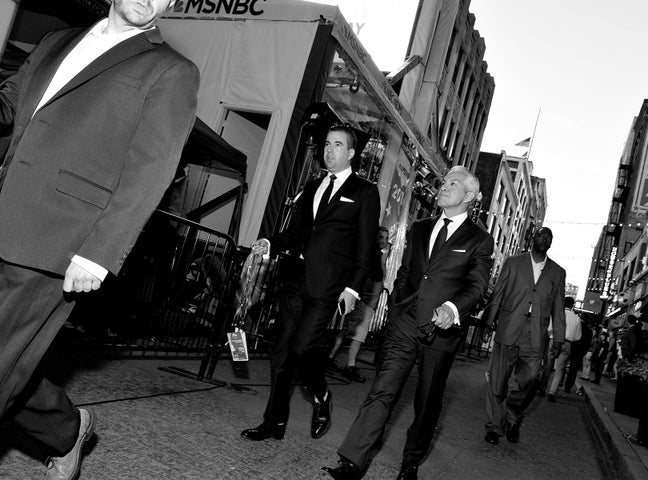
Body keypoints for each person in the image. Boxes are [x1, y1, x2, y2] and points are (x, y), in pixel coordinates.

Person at [0, 1, 199, 478]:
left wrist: (99, 252)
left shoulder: (171, 69)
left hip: (55, 240)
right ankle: (66, 430)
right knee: (10, 363)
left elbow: (150, 168)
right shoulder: (56, 42)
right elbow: (9, 107)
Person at [322, 166, 494, 480]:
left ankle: (410, 463)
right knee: (381, 391)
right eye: (444, 182)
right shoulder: (420, 227)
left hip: (441, 331)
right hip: (405, 322)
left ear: (468, 196)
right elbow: (405, 273)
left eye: (452, 184)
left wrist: (453, 308)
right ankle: (352, 461)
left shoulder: (479, 239)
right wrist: (399, 304)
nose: (444, 187)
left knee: (427, 402)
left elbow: (478, 286)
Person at [241, 124, 380, 442]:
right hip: (295, 280)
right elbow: (296, 233)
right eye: (327, 144)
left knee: (304, 348)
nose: (329, 150)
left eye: (338, 145)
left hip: (329, 287)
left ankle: (322, 396)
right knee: (282, 353)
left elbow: (365, 248)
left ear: (351, 153)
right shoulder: (312, 186)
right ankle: (273, 423)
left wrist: (353, 288)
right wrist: (270, 244)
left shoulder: (364, 192)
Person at [482, 227, 566, 445]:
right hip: (509, 327)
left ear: (551, 243)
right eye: (540, 234)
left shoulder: (557, 273)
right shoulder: (513, 262)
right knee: (497, 382)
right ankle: (494, 426)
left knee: (529, 380)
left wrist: (558, 338)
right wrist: (487, 322)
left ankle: (513, 414)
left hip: (536, 334)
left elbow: (558, 307)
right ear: (532, 238)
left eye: (549, 236)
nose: (544, 238)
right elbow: (498, 293)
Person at [328, 227, 389, 383]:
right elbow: (377, 276)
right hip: (362, 301)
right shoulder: (373, 254)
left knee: (346, 332)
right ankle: (347, 365)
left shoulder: (378, 255)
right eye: (381, 237)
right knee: (354, 333)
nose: (384, 241)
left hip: (366, 303)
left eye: (386, 238)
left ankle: (333, 360)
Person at [546, 296, 582, 402]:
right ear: (572, 305)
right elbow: (577, 337)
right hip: (567, 343)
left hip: (555, 340)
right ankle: (552, 392)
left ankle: (541, 387)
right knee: (560, 369)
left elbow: (549, 329)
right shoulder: (576, 318)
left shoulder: (557, 313)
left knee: (548, 365)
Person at [564, 313, 593, 393]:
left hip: (570, 347)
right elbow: (588, 344)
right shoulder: (589, 331)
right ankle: (568, 386)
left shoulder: (576, 325)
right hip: (579, 352)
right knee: (573, 370)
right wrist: (583, 353)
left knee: (563, 365)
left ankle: (559, 381)